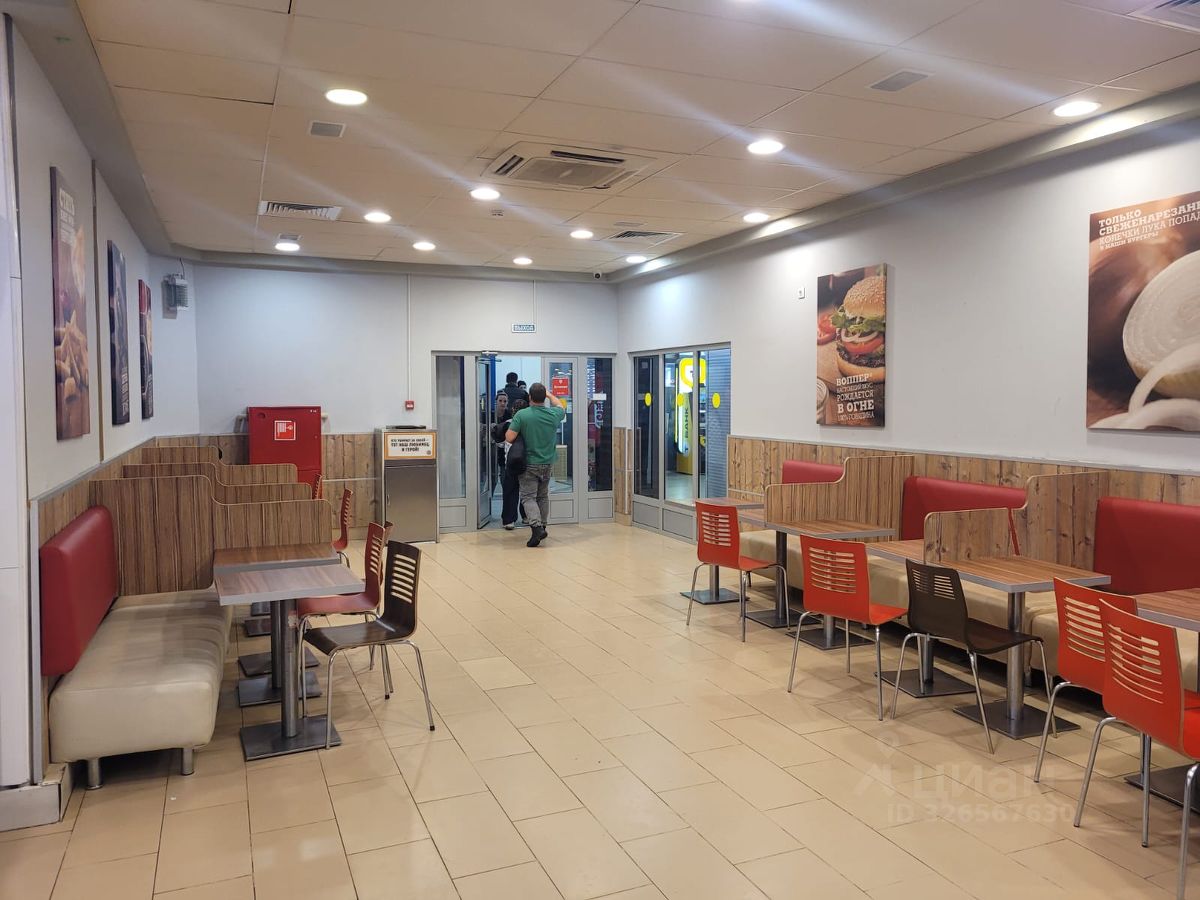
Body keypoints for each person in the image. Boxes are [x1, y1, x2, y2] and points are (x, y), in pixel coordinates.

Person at [506, 383, 565, 547]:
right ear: (544, 397)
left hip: (530, 464)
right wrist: (549, 395)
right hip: (548, 462)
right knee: (542, 496)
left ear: (530, 397)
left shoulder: (522, 415)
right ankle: (542, 527)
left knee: (528, 497)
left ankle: (537, 528)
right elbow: (560, 405)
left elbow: (509, 437)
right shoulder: (554, 414)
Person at [492, 398, 525, 529]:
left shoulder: (508, 424)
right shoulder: (530, 423)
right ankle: (527, 516)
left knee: (510, 491)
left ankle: (509, 520)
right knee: (527, 492)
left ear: (512, 410)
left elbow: (500, 443)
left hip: (510, 462)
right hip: (528, 463)